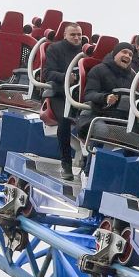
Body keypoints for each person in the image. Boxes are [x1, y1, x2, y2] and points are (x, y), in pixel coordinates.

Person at [42, 23, 85, 181]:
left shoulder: (85, 52)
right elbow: (47, 73)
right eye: (73, 34)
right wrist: (66, 77)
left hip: (79, 97)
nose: (76, 38)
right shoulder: (55, 49)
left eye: (79, 35)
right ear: (65, 35)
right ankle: (66, 164)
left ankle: (86, 165)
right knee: (65, 120)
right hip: (59, 94)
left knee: (87, 122)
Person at [75, 43, 137, 138]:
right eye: (124, 52)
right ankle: (93, 152)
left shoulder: (133, 77)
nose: (127, 56)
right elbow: (88, 94)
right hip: (95, 113)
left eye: (130, 54)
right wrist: (105, 97)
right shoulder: (98, 70)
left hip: (119, 117)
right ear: (115, 54)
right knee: (102, 131)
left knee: (136, 137)